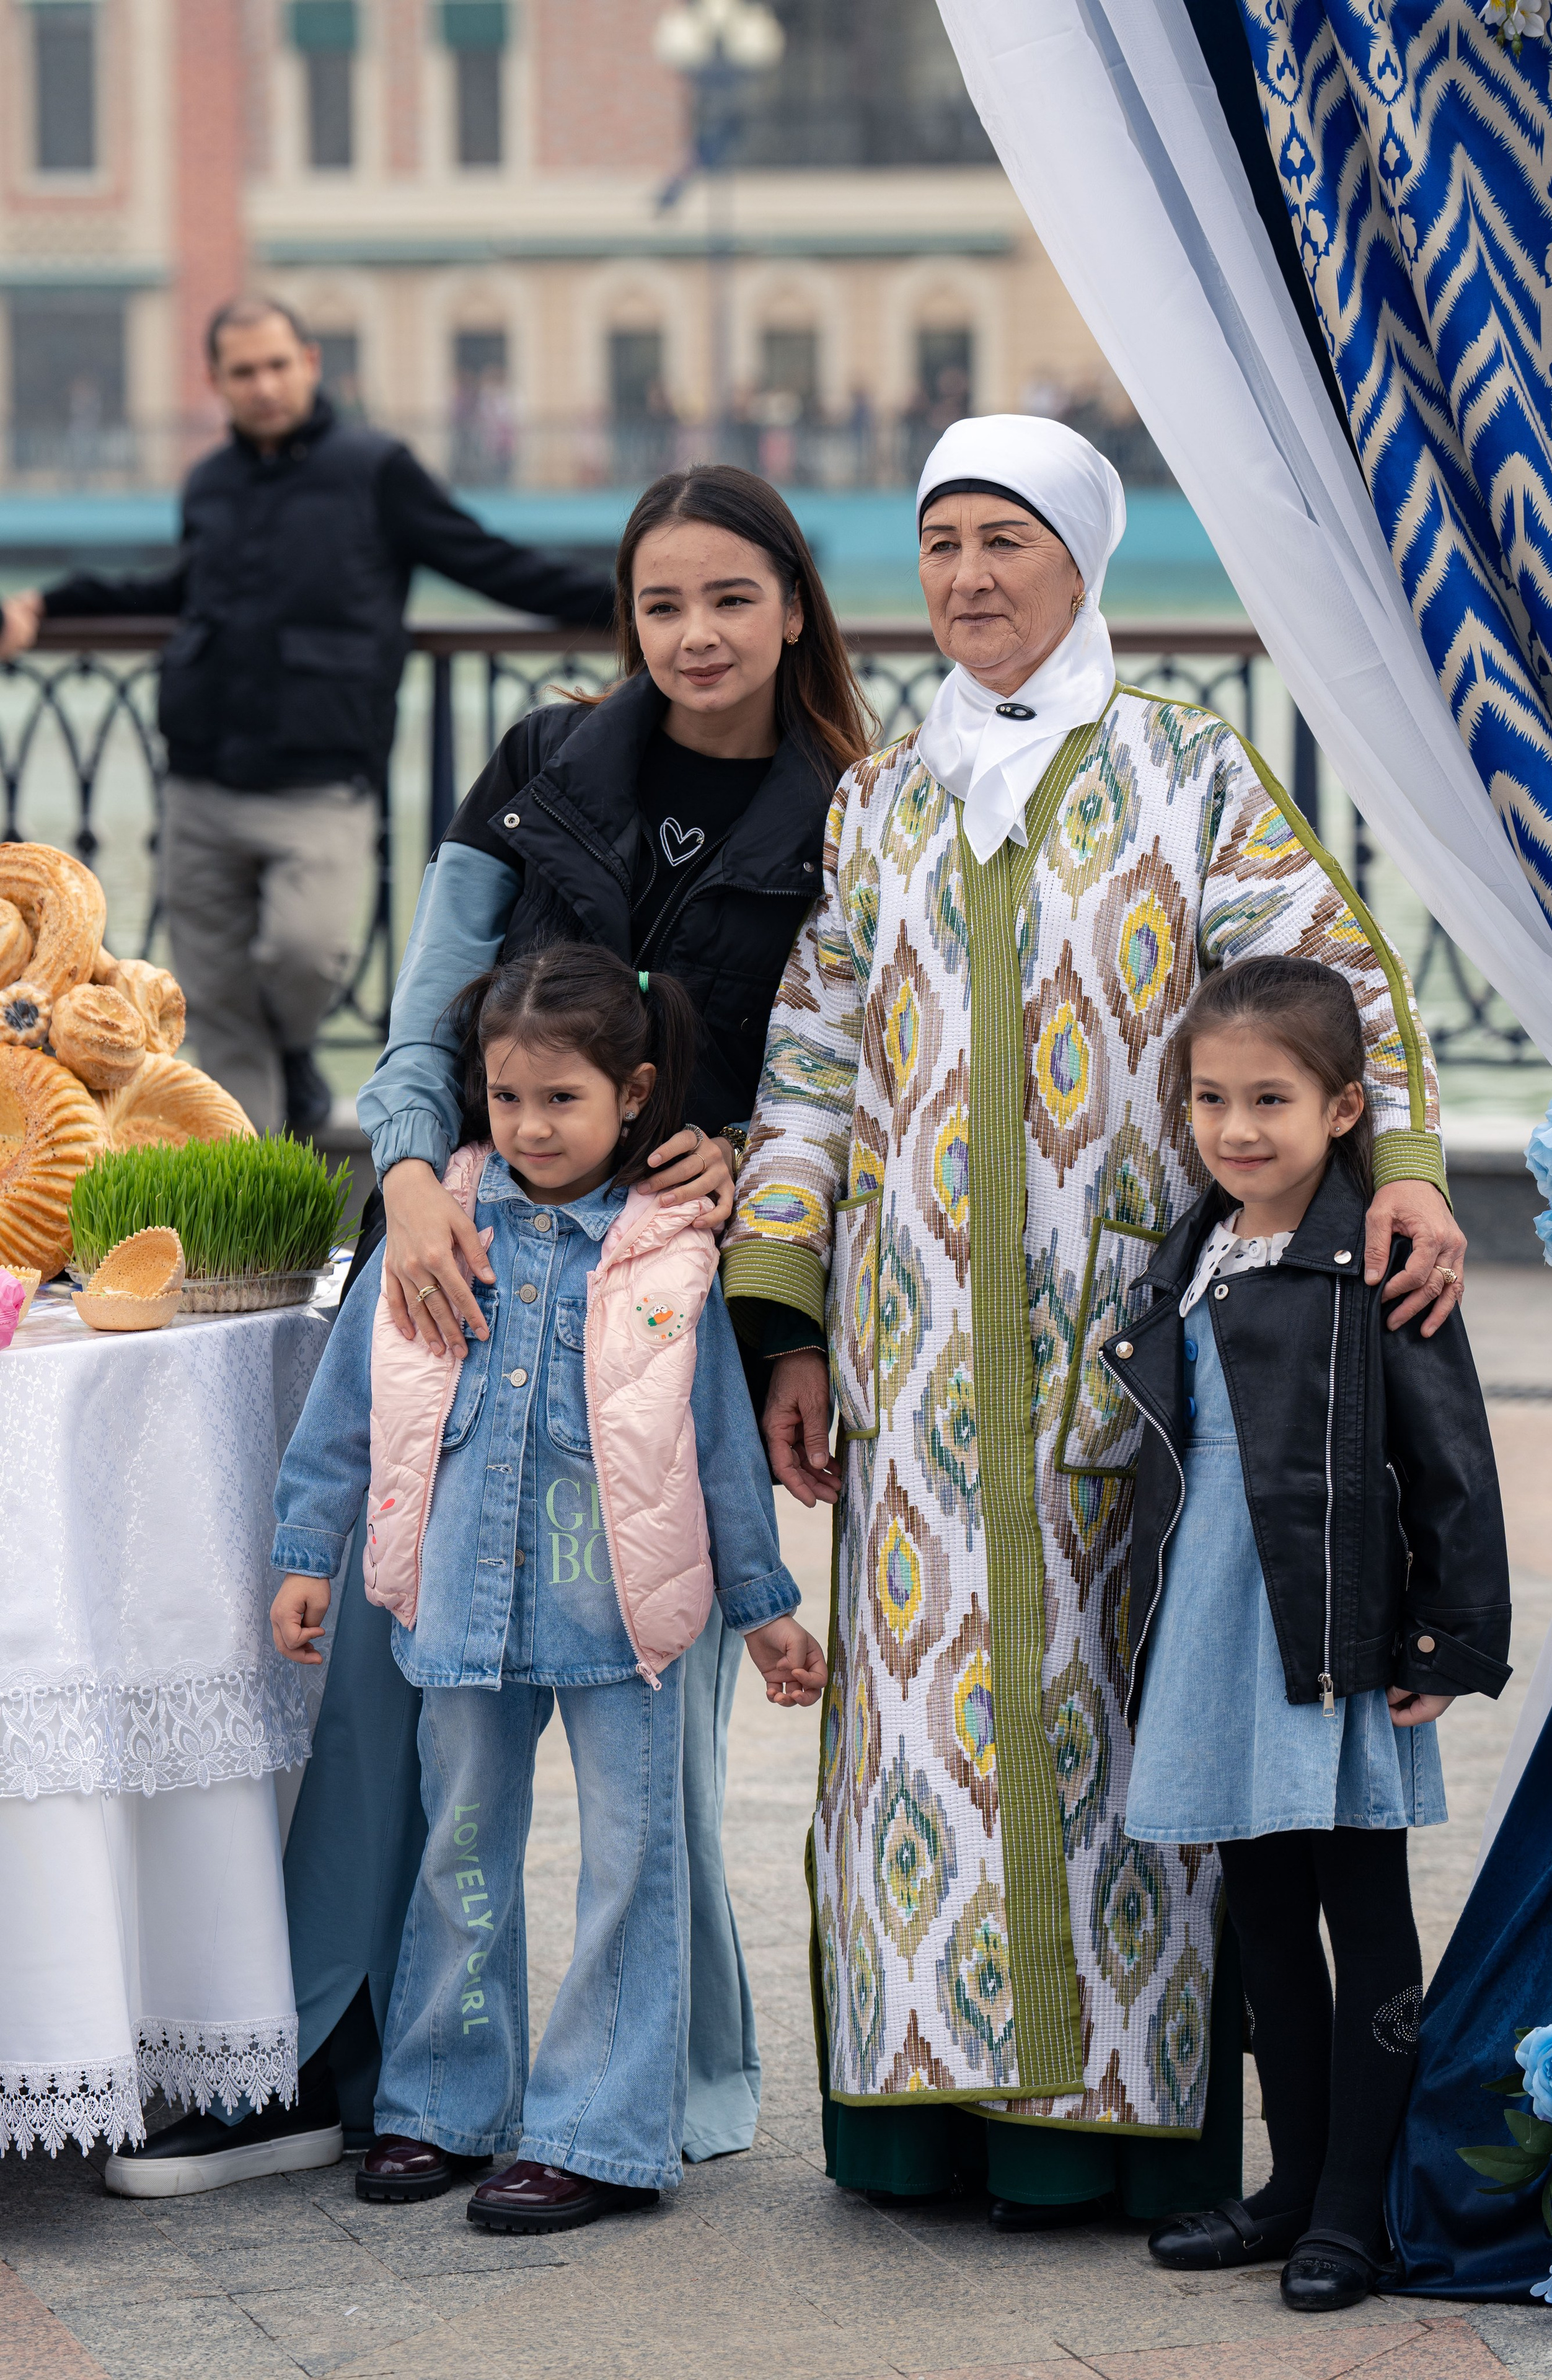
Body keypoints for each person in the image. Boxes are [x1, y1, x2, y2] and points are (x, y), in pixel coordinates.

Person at [721, 412, 1469, 2229]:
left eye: (1008, 543)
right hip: (910, 1367)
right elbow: (811, 1073)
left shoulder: (1186, 773)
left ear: (1082, 560)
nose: (971, 581)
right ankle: (923, 2122)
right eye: (944, 546)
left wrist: (1415, 1169)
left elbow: (1336, 989)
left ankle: (1115, 2131)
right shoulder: (883, 797)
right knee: (920, 1729)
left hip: (1138, 1356)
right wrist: (789, 1325)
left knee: (1129, 1725)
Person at [125, 465, 870, 2202]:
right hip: (466, 1272)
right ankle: (323, 2053)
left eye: (731, 601)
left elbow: (862, 1071)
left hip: (677, 1302)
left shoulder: (854, 810)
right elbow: (422, 1027)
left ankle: (647, 2101)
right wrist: (402, 1184)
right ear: (628, 614)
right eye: (662, 602)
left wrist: (755, 1147)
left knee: (645, 1754)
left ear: (791, 610)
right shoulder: (542, 765)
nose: (695, 636)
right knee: (394, 1693)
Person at [263, 945, 826, 2229]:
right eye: (505, 1098)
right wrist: (309, 1552)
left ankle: (596, 2131)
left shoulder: (672, 1248)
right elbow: (350, 1403)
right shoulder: (439, 1227)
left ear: (632, 1095)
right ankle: (440, 2105)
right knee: (462, 1850)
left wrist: (766, 1607)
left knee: (629, 1867)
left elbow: (719, 1449)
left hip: (628, 1616)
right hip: (455, 1601)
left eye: (559, 1101)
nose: (528, 1125)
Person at [1106, 956, 1509, 2311]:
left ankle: (1356, 2212)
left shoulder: (1374, 1263)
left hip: (1328, 1630)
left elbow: (1450, 1460)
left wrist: (1449, 1639)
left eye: (1268, 1099)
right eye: (1207, 1099)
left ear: (1343, 1109)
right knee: (1261, 1916)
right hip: (1217, 1628)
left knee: (1361, 1912)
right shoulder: (1191, 1250)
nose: (1234, 1130)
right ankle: (1287, 2190)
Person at [0, 294, 613, 1137]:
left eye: (278, 365)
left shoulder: (375, 468)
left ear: (311, 365)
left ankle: (296, 1050)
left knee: (306, 955)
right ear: (216, 381)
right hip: (200, 777)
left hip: (323, 779)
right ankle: (249, 1183)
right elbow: (176, 591)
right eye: (243, 371)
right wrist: (51, 603)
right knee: (213, 1001)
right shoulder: (210, 481)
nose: (263, 385)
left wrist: (639, 608)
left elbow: (487, 561)